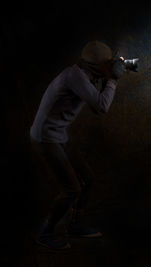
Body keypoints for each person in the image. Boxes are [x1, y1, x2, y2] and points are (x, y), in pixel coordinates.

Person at [30, 40, 127, 249]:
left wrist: (106, 77)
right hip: (46, 137)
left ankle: (74, 225)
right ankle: (44, 233)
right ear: (96, 66)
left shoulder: (85, 74)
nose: (111, 67)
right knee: (71, 189)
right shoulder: (75, 77)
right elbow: (101, 107)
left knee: (88, 179)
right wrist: (113, 80)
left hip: (59, 134)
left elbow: (94, 106)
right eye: (107, 64)